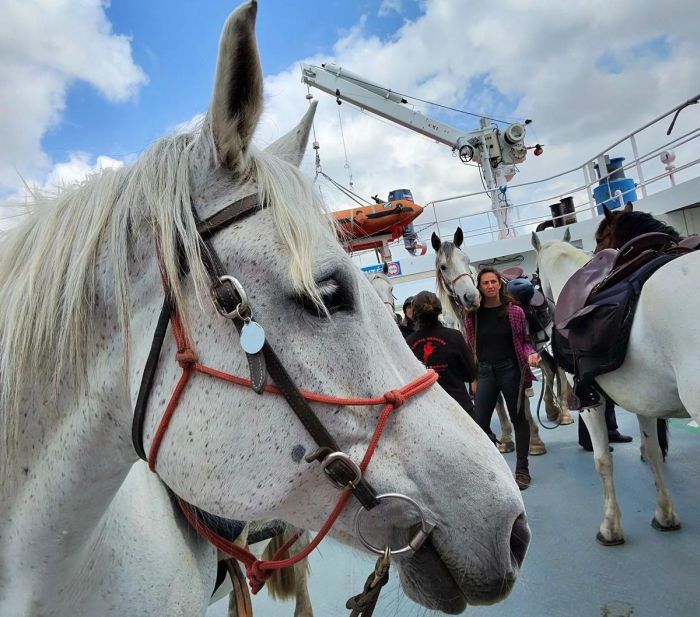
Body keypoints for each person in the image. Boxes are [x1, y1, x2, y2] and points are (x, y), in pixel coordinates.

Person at [464, 267, 540, 491]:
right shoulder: (472, 316)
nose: (490, 286)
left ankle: (522, 470)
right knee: (480, 424)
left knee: (519, 419)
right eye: (485, 283)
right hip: (485, 372)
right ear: (479, 287)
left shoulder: (514, 311)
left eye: (493, 282)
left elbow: (525, 341)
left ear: (500, 284)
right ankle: (491, 467)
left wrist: (531, 354)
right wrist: (473, 377)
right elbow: (471, 347)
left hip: (510, 370)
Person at [405, 291, 476, 414]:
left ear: (415, 314)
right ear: (438, 310)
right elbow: (470, 375)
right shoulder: (455, 336)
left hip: (428, 411)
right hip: (459, 407)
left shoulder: (408, 343)